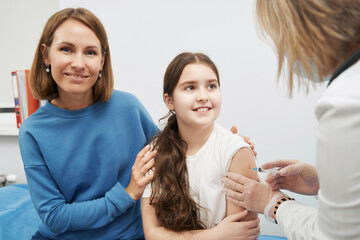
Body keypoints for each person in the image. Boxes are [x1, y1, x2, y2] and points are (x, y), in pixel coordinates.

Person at [222, 0, 360, 239]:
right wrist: (322, 183)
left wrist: (273, 203)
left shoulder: (345, 103)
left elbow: (335, 236)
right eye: (190, 88)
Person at [19, 8, 159, 239]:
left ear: (102, 60)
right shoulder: (32, 132)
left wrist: (224, 144)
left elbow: (173, 151)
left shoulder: (129, 107)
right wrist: (127, 194)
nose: (78, 63)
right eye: (66, 49)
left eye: (90, 52)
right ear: (46, 55)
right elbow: (55, 217)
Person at [141, 52, 260, 240]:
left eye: (211, 86)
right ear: (169, 100)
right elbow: (152, 234)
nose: (203, 96)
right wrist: (216, 235)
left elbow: (243, 235)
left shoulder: (237, 152)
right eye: (190, 88)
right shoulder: (156, 152)